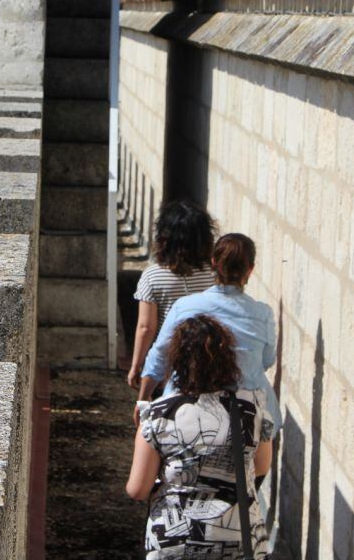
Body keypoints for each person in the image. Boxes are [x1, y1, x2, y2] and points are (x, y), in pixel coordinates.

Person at [126, 314, 273, 559]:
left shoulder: (156, 415)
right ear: (228, 361)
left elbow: (138, 489)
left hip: (175, 543)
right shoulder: (252, 410)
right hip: (238, 539)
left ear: (176, 361)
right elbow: (261, 466)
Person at [136, 233, 282, 433]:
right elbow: (266, 361)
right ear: (250, 269)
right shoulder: (263, 313)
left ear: (214, 262)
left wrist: (143, 399)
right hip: (246, 414)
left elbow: (160, 355)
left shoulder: (185, 306)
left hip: (186, 408)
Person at [128, 200, 218, 389]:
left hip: (167, 365)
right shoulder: (215, 274)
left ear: (164, 238)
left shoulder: (152, 276)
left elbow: (146, 327)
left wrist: (136, 366)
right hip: (207, 362)